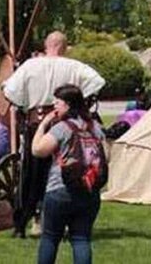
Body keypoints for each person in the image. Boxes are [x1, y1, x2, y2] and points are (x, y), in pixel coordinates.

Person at [2, 31, 105, 238]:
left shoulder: (31, 65)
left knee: (32, 175)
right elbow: (97, 82)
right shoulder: (74, 66)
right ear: (63, 47)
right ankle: (63, 220)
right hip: (66, 125)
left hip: (37, 123)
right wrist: (78, 101)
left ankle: (23, 223)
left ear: (47, 45)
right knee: (66, 170)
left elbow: (10, 91)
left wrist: (24, 102)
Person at [32, 84, 106, 264]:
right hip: (89, 189)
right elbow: (106, 156)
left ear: (68, 105)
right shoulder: (94, 127)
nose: (54, 106)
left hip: (60, 188)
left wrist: (42, 125)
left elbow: (37, 150)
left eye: (57, 102)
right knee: (81, 238)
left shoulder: (61, 128)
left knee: (50, 237)